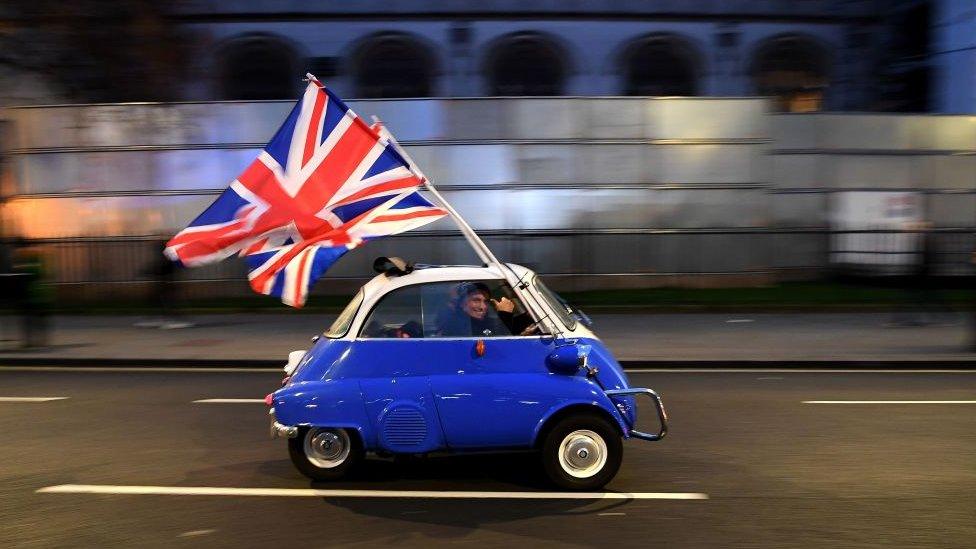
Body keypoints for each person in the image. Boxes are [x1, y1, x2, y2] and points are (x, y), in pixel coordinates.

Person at [436, 282, 534, 337]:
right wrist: (505, 314)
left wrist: (527, 317)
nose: (483, 307)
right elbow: (498, 345)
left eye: (486, 301)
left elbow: (496, 328)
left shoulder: (482, 322)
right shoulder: (455, 326)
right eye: (476, 300)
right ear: (462, 304)